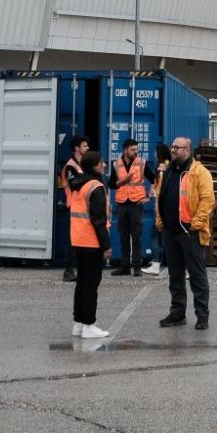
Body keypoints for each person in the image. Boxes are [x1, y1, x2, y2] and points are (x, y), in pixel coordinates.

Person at [155, 136, 215, 330]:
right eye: (172, 147)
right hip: (170, 232)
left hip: (190, 233)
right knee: (175, 275)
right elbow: (160, 196)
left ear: (187, 151)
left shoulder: (199, 172)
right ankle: (177, 312)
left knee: (197, 276)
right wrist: (160, 220)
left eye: (177, 148)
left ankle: (202, 315)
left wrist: (195, 224)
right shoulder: (168, 171)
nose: (173, 150)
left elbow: (208, 200)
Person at [70, 151, 112, 338]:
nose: (104, 165)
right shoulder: (95, 187)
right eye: (101, 163)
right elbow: (98, 220)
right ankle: (89, 324)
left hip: (79, 240)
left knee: (82, 283)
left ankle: (79, 323)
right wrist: (106, 245)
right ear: (94, 166)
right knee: (91, 285)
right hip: (92, 242)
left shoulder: (79, 184)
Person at [110, 139, 149, 276]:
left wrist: (148, 197)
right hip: (122, 204)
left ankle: (137, 267)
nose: (135, 152)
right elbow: (111, 184)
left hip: (136, 204)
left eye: (136, 149)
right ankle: (125, 267)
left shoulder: (141, 162)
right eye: (132, 149)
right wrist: (123, 181)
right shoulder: (116, 164)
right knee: (124, 237)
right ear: (125, 150)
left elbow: (155, 179)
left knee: (136, 237)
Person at [59, 135, 89, 283]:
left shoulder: (82, 164)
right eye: (84, 146)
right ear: (77, 148)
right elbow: (74, 184)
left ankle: (78, 270)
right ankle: (69, 271)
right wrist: (89, 177)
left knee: (80, 239)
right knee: (74, 240)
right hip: (74, 207)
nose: (87, 148)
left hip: (83, 207)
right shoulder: (71, 166)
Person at [142, 144, 172, 277]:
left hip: (160, 207)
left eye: (155, 152)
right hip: (169, 207)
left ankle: (155, 264)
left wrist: (152, 194)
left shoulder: (161, 167)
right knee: (168, 237)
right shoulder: (171, 165)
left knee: (155, 235)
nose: (153, 154)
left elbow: (158, 186)